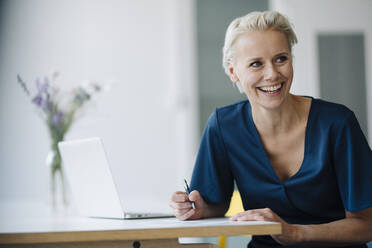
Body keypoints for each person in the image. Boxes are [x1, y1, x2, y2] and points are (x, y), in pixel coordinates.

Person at [169, 10, 372, 248]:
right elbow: (214, 204)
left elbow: (366, 224)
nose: (272, 74)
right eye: (256, 63)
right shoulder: (224, 126)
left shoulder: (337, 124)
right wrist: (194, 209)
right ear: (233, 71)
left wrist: (294, 233)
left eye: (281, 59)